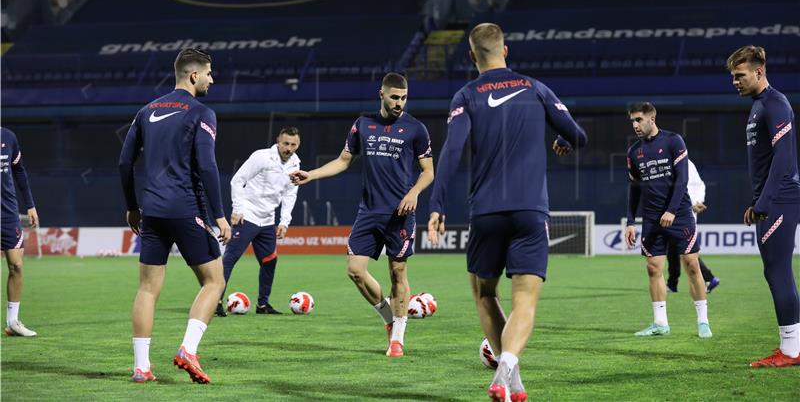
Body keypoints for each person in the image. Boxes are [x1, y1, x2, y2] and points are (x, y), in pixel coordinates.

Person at [427, 23, 588, 402]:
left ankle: (511, 379)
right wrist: (563, 139)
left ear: (471, 56)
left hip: (485, 212)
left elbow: (451, 152)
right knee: (525, 302)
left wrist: (436, 204)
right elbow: (578, 135)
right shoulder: (535, 88)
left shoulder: (465, 95)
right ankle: (505, 373)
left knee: (484, 293)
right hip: (531, 211)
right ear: (507, 50)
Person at [290, 72, 434, 358]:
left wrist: (414, 192)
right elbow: (343, 161)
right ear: (381, 94)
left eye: (404, 98)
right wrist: (312, 175)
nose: (399, 103)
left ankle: (398, 339)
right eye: (394, 97)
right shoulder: (362, 125)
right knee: (355, 271)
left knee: (398, 273)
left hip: (399, 214)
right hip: (369, 212)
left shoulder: (416, 129)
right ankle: (389, 320)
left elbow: (428, 172)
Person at [119, 48, 232, 384]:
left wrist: (131, 206)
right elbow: (207, 166)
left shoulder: (146, 110)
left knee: (148, 289)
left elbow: (125, 163)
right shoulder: (202, 112)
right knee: (215, 281)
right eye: (210, 73)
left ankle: (141, 368)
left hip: (151, 212)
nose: (213, 79)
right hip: (186, 209)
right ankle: (188, 350)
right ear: (193, 75)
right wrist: (220, 216)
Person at [727, 45, 800, 367]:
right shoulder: (759, 106)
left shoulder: (775, 104)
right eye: (733, 77)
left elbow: (784, 157)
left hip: (781, 198)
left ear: (759, 72)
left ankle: (790, 351)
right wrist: (757, 200)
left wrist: (766, 201)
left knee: (778, 270)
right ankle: (792, 347)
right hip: (773, 198)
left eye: (740, 76)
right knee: (776, 271)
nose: (735, 82)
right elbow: (767, 161)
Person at [624, 102, 712, 340]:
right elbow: (634, 189)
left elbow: (682, 178)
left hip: (680, 214)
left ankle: (703, 321)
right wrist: (631, 221)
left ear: (652, 119)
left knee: (692, 265)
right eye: (632, 120)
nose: (635, 125)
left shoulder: (674, 141)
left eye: (639, 120)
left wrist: (672, 210)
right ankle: (660, 323)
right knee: (653, 269)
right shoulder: (634, 152)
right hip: (651, 219)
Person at [216, 127, 301, 317]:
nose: (289, 148)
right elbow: (237, 180)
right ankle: (215, 302)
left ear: (298, 145)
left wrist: (284, 221)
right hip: (248, 215)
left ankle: (263, 305)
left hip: (268, 220)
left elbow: (290, 194)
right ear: (278, 141)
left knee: (269, 261)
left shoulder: (296, 164)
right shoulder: (261, 157)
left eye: (293, 144)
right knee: (230, 259)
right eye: (286, 143)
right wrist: (238, 209)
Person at [1, 127, 39, 337]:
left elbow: (19, 170)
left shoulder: (8, 137)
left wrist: (30, 205)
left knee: (16, 265)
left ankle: (12, 322)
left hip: (7, 213)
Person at [666, 159, 720, 294]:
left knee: (687, 253)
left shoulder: (686, 163)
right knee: (673, 248)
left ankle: (709, 278)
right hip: (671, 212)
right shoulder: (666, 161)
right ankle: (672, 283)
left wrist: (698, 202)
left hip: (685, 214)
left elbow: (699, 185)